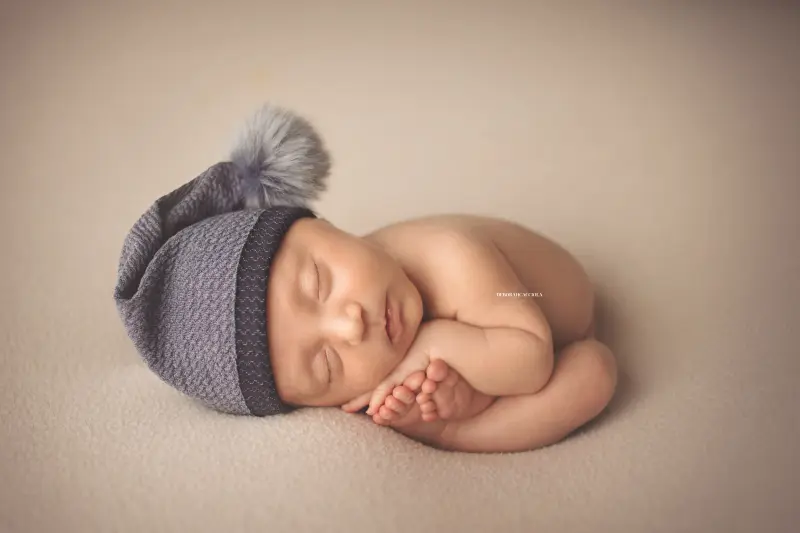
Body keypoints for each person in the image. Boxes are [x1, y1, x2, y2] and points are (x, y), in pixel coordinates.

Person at [114, 104, 617, 454]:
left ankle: (459, 436)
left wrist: (431, 349)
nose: (350, 328)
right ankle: (466, 407)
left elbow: (531, 358)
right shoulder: (377, 356)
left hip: (533, 305)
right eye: (327, 365)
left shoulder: (448, 255)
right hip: (501, 349)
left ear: (320, 225)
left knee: (584, 365)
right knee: (590, 375)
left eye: (318, 284)